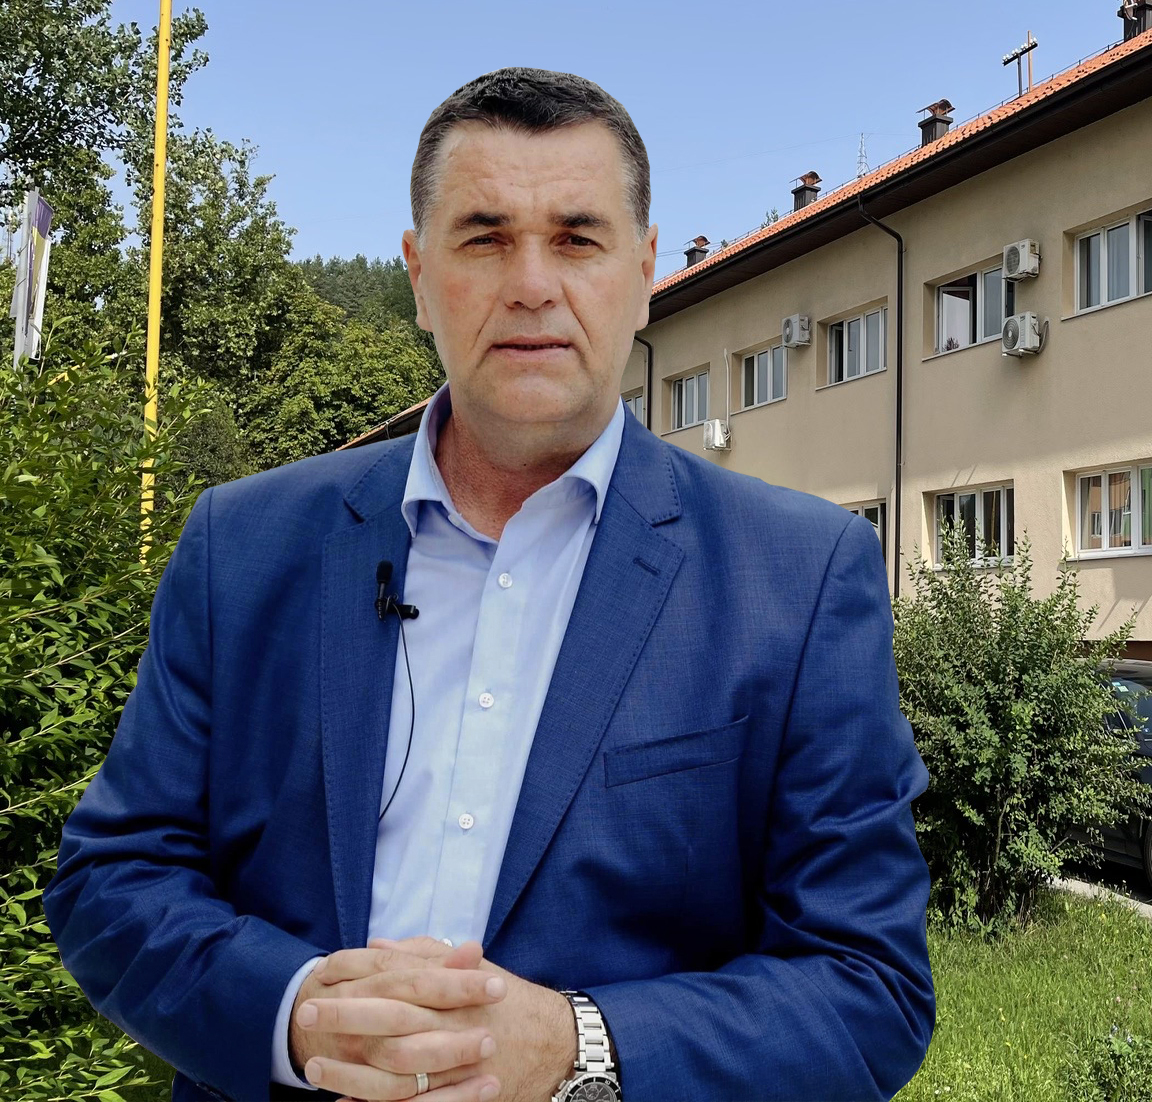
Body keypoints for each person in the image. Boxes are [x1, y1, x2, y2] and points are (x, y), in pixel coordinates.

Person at [45, 67, 934, 1102]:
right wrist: (296, 1016)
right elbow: (112, 881)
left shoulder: (799, 576)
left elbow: (868, 990)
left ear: (645, 272)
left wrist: (576, 1049)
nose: (531, 284)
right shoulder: (239, 548)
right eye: (484, 238)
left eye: (577, 239)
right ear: (419, 276)